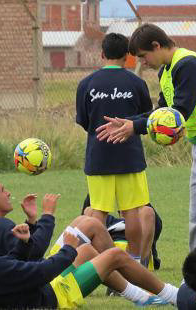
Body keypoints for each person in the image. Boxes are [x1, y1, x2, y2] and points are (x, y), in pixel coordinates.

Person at [96, 24, 196, 274]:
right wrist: (131, 122)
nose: (144, 62)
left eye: (144, 56)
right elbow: (160, 113)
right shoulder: (167, 71)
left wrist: (136, 127)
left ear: (156, 46)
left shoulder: (188, 64)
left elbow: (178, 114)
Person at [0, 175, 167, 306]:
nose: (8, 193)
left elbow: (20, 253)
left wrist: (31, 221)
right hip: (44, 277)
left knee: (88, 240)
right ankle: (139, 286)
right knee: (91, 225)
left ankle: (131, 290)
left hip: (33, 276)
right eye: (3, 190)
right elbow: (34, 251)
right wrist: (47, 215)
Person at [0, 218, 179, 309]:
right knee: (114, 257)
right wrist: (67, 247)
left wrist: (23, 244)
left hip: (36, 295)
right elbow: (41, 272)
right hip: (53, 301)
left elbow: (9, 267)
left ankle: (139, 297)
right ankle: (174, 296)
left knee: (86, 250)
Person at [76, 33, 153, 262]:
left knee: (97, 212)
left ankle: (98, 263)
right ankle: (135, 262)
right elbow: (147, 117)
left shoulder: (87, 83)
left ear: (102, 54)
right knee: (131, 212)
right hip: (129, 156)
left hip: (99, 157)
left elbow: (84, 121)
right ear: (128, 56)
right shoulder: (136, 83)